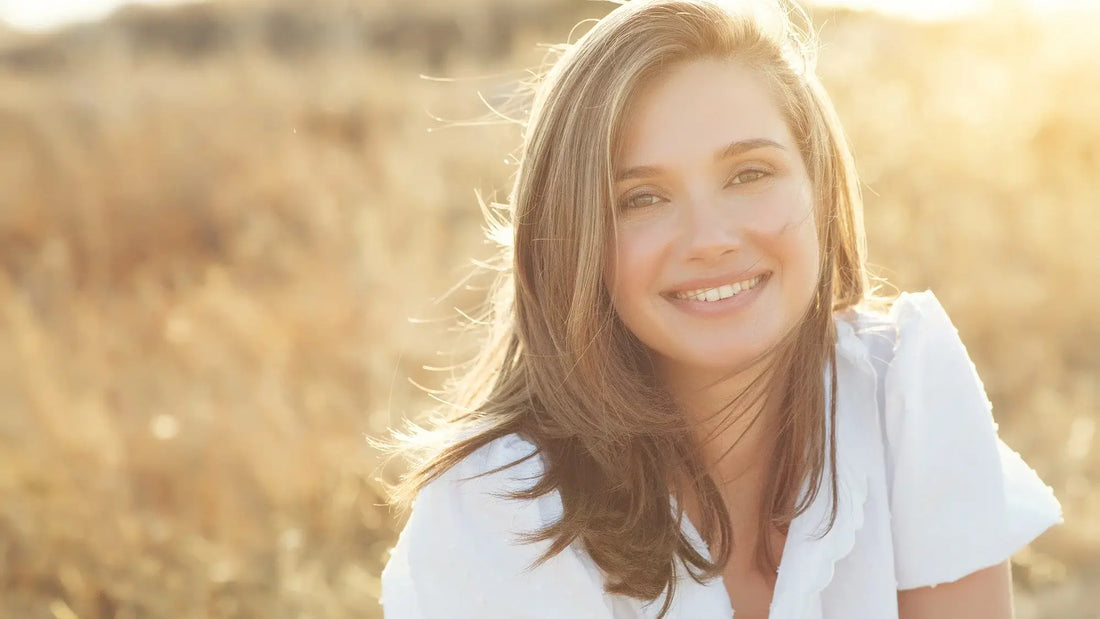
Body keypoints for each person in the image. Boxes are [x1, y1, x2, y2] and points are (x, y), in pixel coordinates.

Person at [378, 0, 1063, 617]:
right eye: (642, 197)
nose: (710, 240)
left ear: (818, 188)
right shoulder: (494, 509)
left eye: (749, 174)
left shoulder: (907, 401)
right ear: (573, 238)